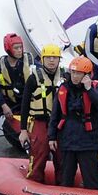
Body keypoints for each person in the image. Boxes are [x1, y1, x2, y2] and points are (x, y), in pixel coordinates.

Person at [48, 56, 98, 189]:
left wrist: (89, 89)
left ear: (87, 75)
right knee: (65, 178)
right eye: (73, 73)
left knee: (91, 179)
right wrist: (51, 136)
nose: (75, 76)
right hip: (68, 141)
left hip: (88, 142)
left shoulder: (96, 88)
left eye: (79, 73)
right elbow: (55, 115)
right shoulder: (63, 89)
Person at [20, 44, 64, 182]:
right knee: (39, 154)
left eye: (55, 58)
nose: (52, 60)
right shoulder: (34, 79)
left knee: (61, 158)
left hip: (60, 125)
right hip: (40, 122)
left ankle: (63, 188)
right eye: (48, 57)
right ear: (43, 59)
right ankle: (34, 182)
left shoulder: (66, 78)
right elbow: (25, 104)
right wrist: (23, 130)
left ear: (59, 60)